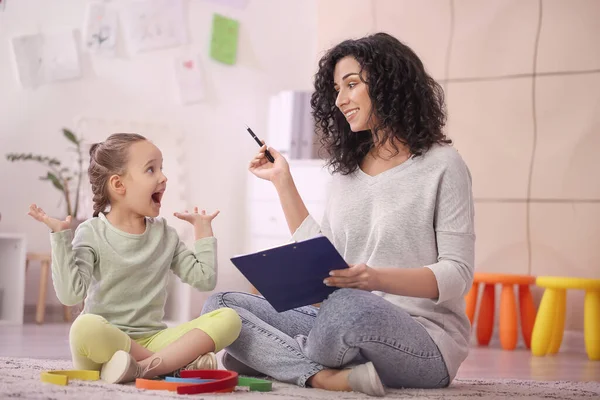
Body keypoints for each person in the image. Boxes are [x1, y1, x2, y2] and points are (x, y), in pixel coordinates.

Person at [202, 32, 475, 397]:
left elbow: (457, 275)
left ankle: (276, 357)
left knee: (344, 308)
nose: (341, 99)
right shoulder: (347, 172)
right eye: (336, 89)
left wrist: (372, 279)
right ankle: (324, 376)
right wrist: (282, 182)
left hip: (423, 339)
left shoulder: (443, 165)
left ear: (389, 84)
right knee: (221, 307)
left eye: (351, 85)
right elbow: (325, 255)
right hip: (337, 320)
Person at [27, 133, 241, 384]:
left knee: (230, 318)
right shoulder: (91, 232)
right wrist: (60, 238)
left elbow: (204, 280)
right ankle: (171, 364)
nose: (163, 177)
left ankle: (143, 368)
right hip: (104, 345)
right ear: (119, 185)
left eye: (162, 168)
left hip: (154, 338)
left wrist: (203, 233)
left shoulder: (165, 234)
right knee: (85, 327)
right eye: (151, 169)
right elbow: (70, 295)